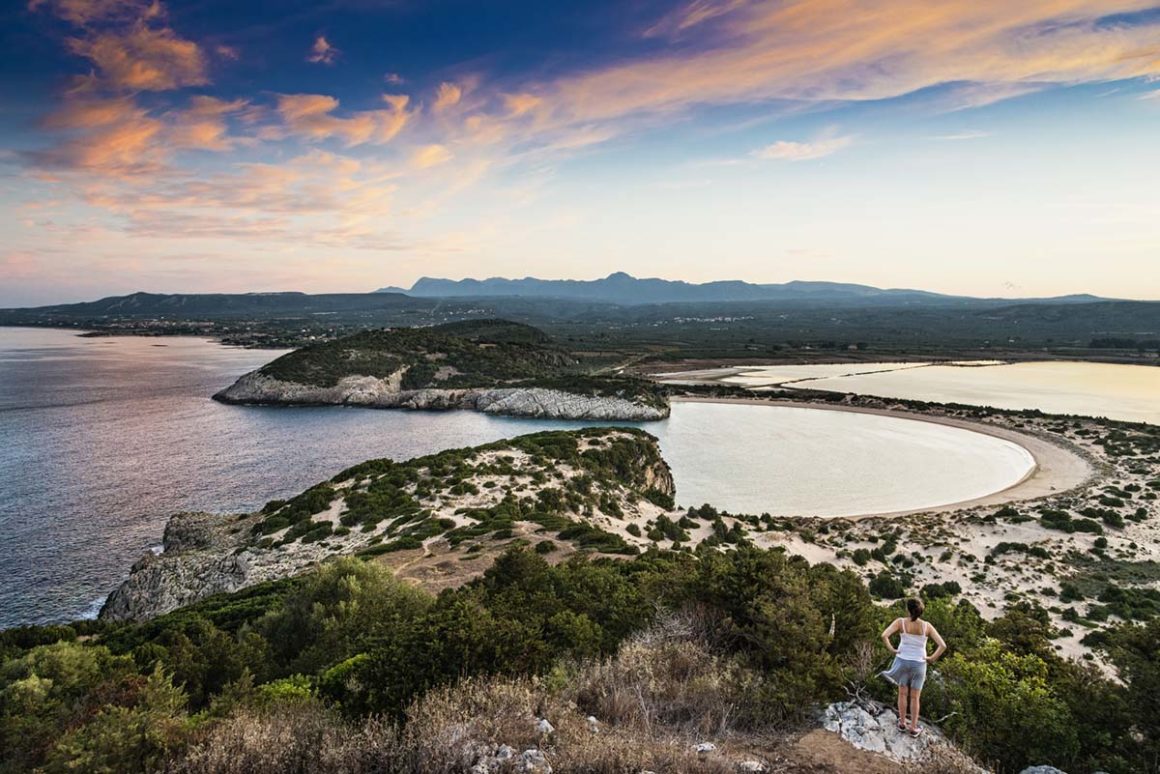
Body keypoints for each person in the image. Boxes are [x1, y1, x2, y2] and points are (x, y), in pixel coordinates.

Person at [880, 597, 946, 736]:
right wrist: (931, 658)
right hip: (919, 663)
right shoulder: (926, 626)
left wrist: (892, 649)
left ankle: (902, 723)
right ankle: (913, 728)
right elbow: (942, 645)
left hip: (902, 660)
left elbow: (884, 635)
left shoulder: (900, 622)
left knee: (902, 693)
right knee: (915, 697)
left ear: (908, 609)